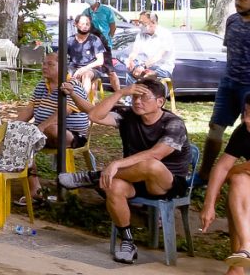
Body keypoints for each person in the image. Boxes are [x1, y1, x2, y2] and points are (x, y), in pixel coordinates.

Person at [59, 79, 191, 264]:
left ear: (160, 102)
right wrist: (120, 93)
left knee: (151, 164)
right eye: (135, 97)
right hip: (134, 179)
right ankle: (128, 242)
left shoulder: (174, 123)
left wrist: (116, 164)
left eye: (144, 98)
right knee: (113, 187)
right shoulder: (128, 115)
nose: (137, 102)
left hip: (166, 184)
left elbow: (156, 154)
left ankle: (92, 176)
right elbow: (95, 116)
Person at [14, 53, 90, 203]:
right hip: (44, 133)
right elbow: (30, 110)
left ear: (62, 67)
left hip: (72, 135)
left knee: (52, 129)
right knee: (19, 138)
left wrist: (40, 127)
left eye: (50, 64)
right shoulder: (42, 85)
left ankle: (66, 193)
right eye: (44, 63)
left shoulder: (71, 85)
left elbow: (62, 113)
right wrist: (12, 126)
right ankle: (35, 191)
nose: (44, 67)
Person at [197, 0, 250, 187]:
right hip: (229, 83)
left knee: (248, 130)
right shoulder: (232, 20)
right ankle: (204, 175)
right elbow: (230, 52)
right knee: (215, 127)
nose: (237, 3)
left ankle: (243, 178)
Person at [201, 93, 250, 273]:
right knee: (239, 183)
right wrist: (209, 204)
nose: (247, 120)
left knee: (237, 177)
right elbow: (222, 168)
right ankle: (242, 257)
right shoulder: (243, 131)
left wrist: (234, 171)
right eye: (245, 113)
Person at [125, 11, 175, 82]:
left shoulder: (165, 34)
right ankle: (132, 93)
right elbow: (135, 51)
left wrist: (143, 66)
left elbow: (158, 56)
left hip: (163, 68)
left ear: (153, 23)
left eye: (143, 23)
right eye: (139, 22)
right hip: (146, 66)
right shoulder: (141, 34)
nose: (140, 25)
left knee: (144, 75)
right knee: (131, 73)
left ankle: (150, 92)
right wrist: (130, 60)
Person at [67, 14, 106, 99]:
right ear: (76, 24)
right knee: (65, 75)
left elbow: (100, 61)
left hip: (92, 69)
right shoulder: (70, 40)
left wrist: (84, 68)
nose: (85, 26)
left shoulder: (95, 40)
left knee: (86, 75)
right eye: (82, 23)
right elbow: (59, 57)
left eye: (87, 24)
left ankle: (82, 100)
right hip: (73, 67)